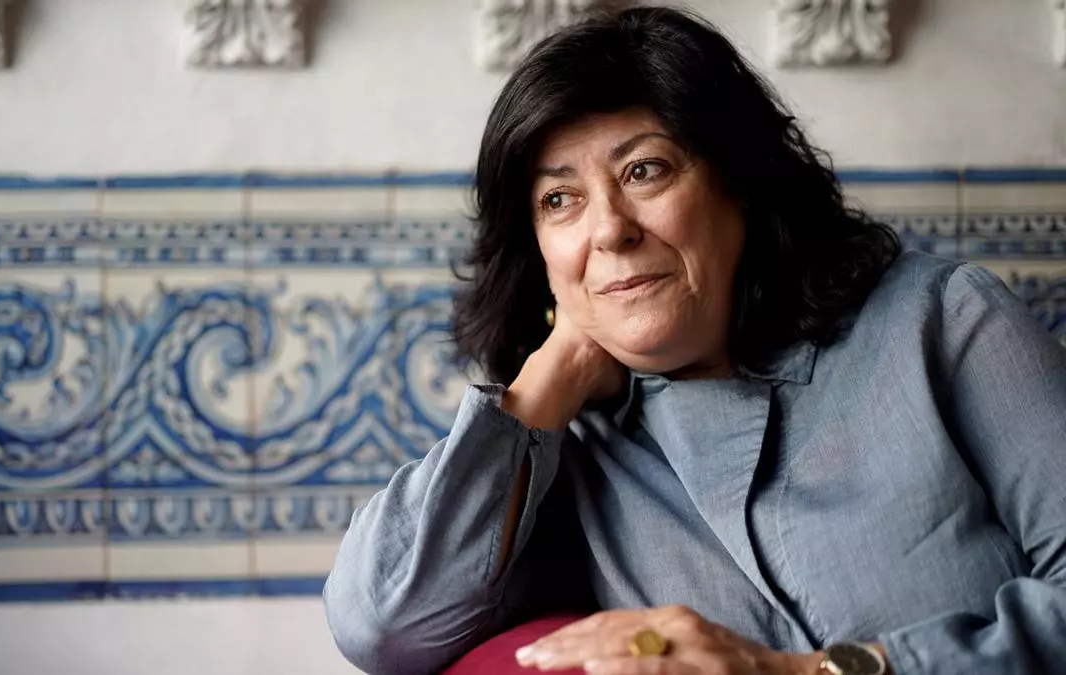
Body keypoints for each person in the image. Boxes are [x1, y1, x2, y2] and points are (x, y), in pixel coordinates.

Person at [323, 7, 1066, 675]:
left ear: (741, 185)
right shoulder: (564, 445)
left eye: (644, 171)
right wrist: (561, 359)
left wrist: (812, 672)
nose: (609, 229)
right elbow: (381, 626)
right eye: (560, 200)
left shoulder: (943, 320)